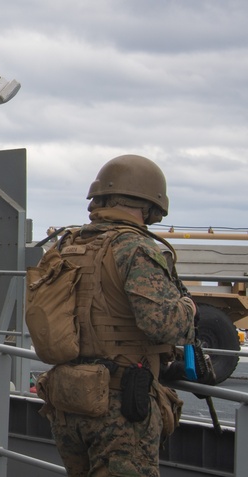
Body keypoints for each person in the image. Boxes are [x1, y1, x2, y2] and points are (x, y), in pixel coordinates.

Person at [39, 154, 197, 476]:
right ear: (151, 205)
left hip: (67, 399)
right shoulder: (134, 248)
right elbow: (162, 325)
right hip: (119, 405)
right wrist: (189, 309)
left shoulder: (68, 245)